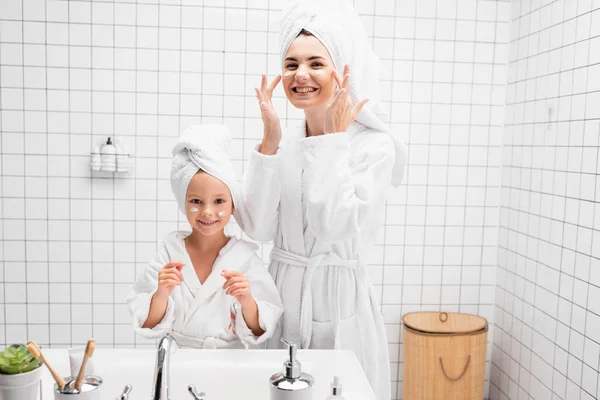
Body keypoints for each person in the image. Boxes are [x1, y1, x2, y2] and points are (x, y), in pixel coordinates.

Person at [235, 1, 408, 398]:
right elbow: (259, 228)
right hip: (285, 295)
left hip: (338, 298)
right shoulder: (289, 142)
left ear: (341, 69)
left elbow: (333, 226)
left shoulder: (374, 147)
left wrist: (330, 142)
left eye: (316, 63)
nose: (302, 75)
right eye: (291, 64)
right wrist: (269, 143)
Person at [127, 124, 283, 349]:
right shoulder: (169, 254)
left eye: (219, 201)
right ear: (184, 203)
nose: (208, 212)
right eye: (196, 202)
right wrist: (161, 294)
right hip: (178, 361)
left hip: (228, 362)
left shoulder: (245, 258)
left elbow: (260, 329)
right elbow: (148, 325)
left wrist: (247, 301)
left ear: (232, 206)